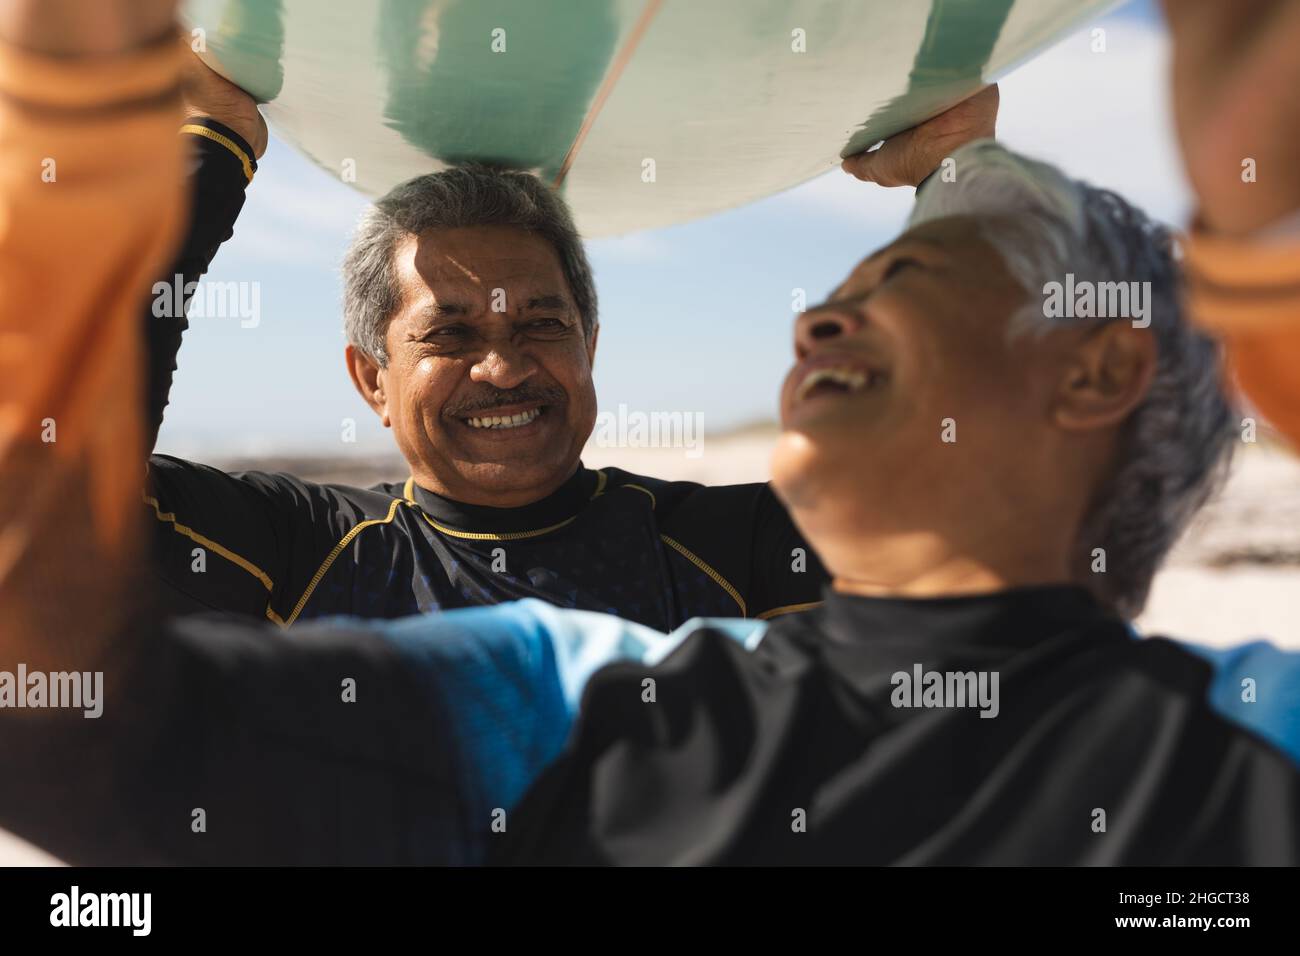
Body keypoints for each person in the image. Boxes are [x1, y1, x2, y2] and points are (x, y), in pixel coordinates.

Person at [140, 56, 996, 630]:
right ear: (372, 379)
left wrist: (959, 172)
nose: (504, 367)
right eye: (449, 333)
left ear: (590, 344)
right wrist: (212, 148)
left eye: (541, 325)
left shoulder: (736, 550)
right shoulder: (302, 557)